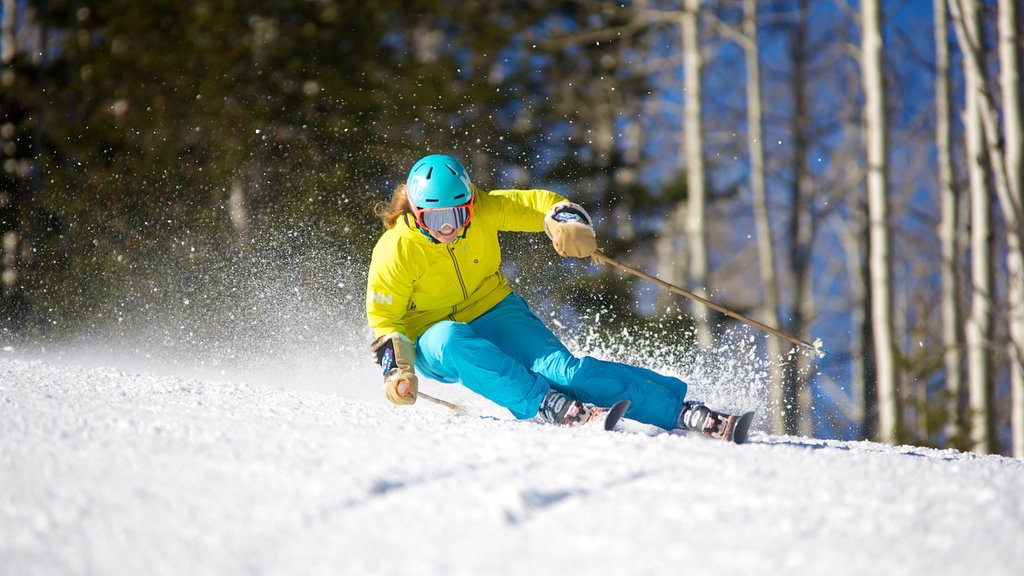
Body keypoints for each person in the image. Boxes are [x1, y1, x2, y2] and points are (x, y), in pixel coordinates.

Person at [366, 153, 746, 441]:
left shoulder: (484, 210)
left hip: (492, 309)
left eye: (458, 215)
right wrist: (396, 371)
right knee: (452, 339)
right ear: (416, 213)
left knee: (567, 372)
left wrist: (566, 222)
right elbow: (386, 323)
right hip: (431, 336)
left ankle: (678, 411)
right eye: (435, 219)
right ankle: (540, 403)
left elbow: (540, 205)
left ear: (470, 204)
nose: (448, 228)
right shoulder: (395, 250)